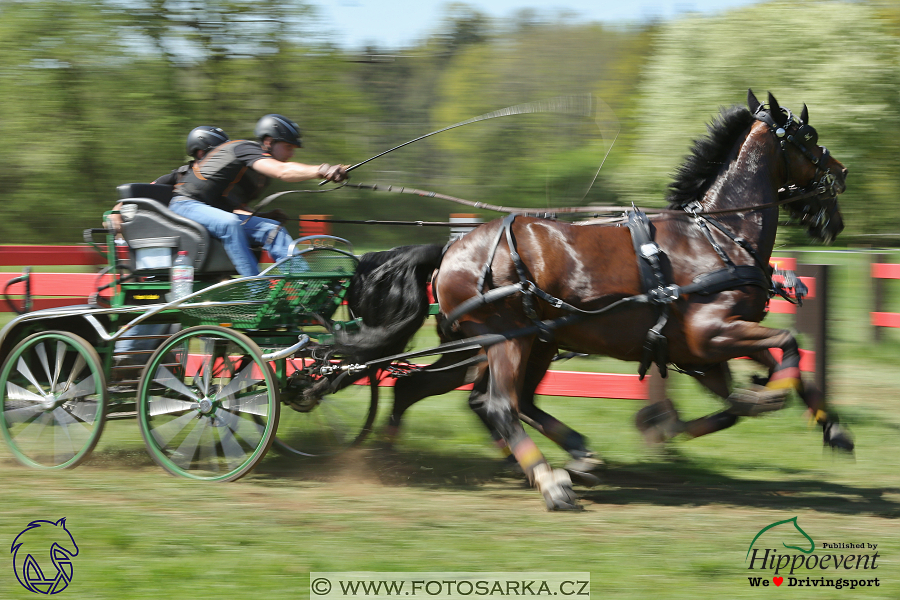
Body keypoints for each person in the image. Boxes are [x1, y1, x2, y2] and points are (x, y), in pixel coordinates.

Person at [169, 114, 348, 276]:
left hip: (210, 211)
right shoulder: (245, 148)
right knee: (230, 224)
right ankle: (255, 288)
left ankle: (304, 283)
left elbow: (232, 205)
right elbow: (283, 171)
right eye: (288, 147)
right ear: (269, 141)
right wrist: (322, 170)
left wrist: (262, 216)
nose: (291, 153)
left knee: (273, 229)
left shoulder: (255, 174)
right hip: (185, 205)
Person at [113, 126, 231, 366]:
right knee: (159, 309)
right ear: (199, 153)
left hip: (207, 260)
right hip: (177, 257)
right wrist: (117, 212)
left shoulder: (221, 184)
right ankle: (125, 359)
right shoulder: (179, 176)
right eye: (217, 155)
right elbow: (136, 197)